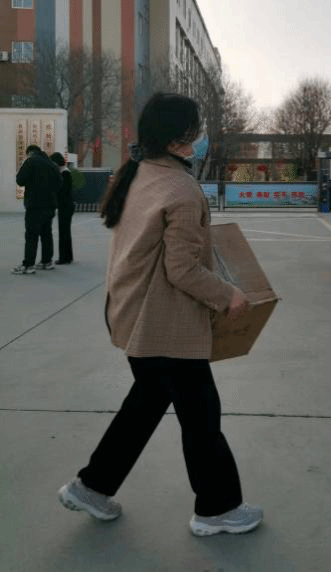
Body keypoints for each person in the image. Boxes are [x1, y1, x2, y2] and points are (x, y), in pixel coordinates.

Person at [58, 93, 263, 537]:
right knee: (201, 418)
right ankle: (217, 509)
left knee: (146, 405)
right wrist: (227, 294)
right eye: (194, 131)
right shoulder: (181, 189)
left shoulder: (140, 173)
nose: (200, 138)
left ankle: (92, 486)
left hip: (133, 315)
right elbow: (182, 269)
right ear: (175, 140)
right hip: (164, 326)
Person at [12, 145, 62, 274]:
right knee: (47, 234)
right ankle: (46, 261)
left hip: (35, 205)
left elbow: (20, 180)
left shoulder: (30, 161)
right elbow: (59, 183)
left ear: (29, 152)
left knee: (31, 235)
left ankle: (28, 265)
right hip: (50, 205)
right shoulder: (51, 164)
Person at [50, 152, 74, 264]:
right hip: (65, 205)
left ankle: (64, 258)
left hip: (65, 206)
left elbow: (63, 191)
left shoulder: (64, 173)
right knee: (65, 232)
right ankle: (68, 256)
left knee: (63, 232)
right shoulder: (64, 172)